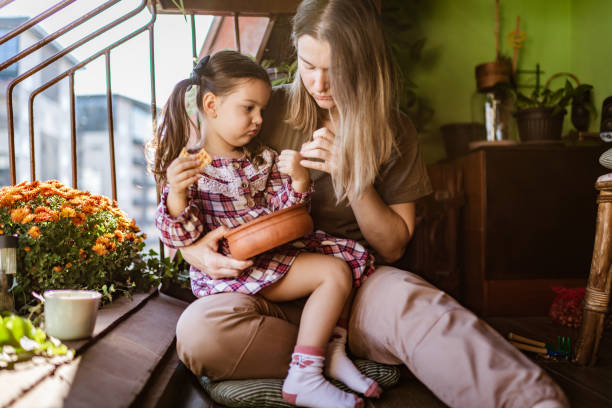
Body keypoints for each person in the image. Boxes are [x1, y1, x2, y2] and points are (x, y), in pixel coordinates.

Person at [173, 1, 569, 407]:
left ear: (364, 59)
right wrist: (191, 249)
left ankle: (528, 401)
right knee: (199, 334)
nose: (319, 83)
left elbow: (393, 245)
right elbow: (189, 178)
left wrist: (353, 178)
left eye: (336, 69)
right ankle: (327, 359)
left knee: (418, 308)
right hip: (261, 289)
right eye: (309, 65)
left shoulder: (393, 129)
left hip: (356, 288)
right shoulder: (262, 109)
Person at [151, 50, 383, 408]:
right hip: (236, 271)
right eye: (249, 108)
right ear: (211, 105)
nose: (259, 119)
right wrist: (177, 195)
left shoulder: (264, 159)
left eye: (262, 109)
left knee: (344, 266)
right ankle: (307, 373)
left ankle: (328, 354)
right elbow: (181, 237)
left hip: (274, 255)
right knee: (333, 274)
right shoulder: (191, 168)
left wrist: (301, 181)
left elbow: (288, 219)